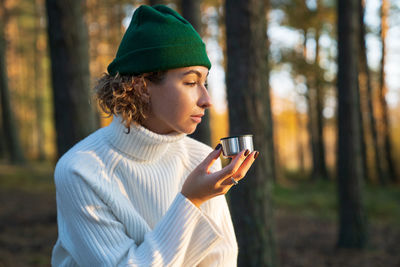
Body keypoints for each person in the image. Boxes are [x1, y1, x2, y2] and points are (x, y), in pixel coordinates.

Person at [51, 4, 259, 267]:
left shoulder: (200, 159)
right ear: (142, 86)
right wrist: (192, 200)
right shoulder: (80, 170)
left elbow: (222, 260)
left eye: (204, 82)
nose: (207, 99)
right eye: (191, 82)